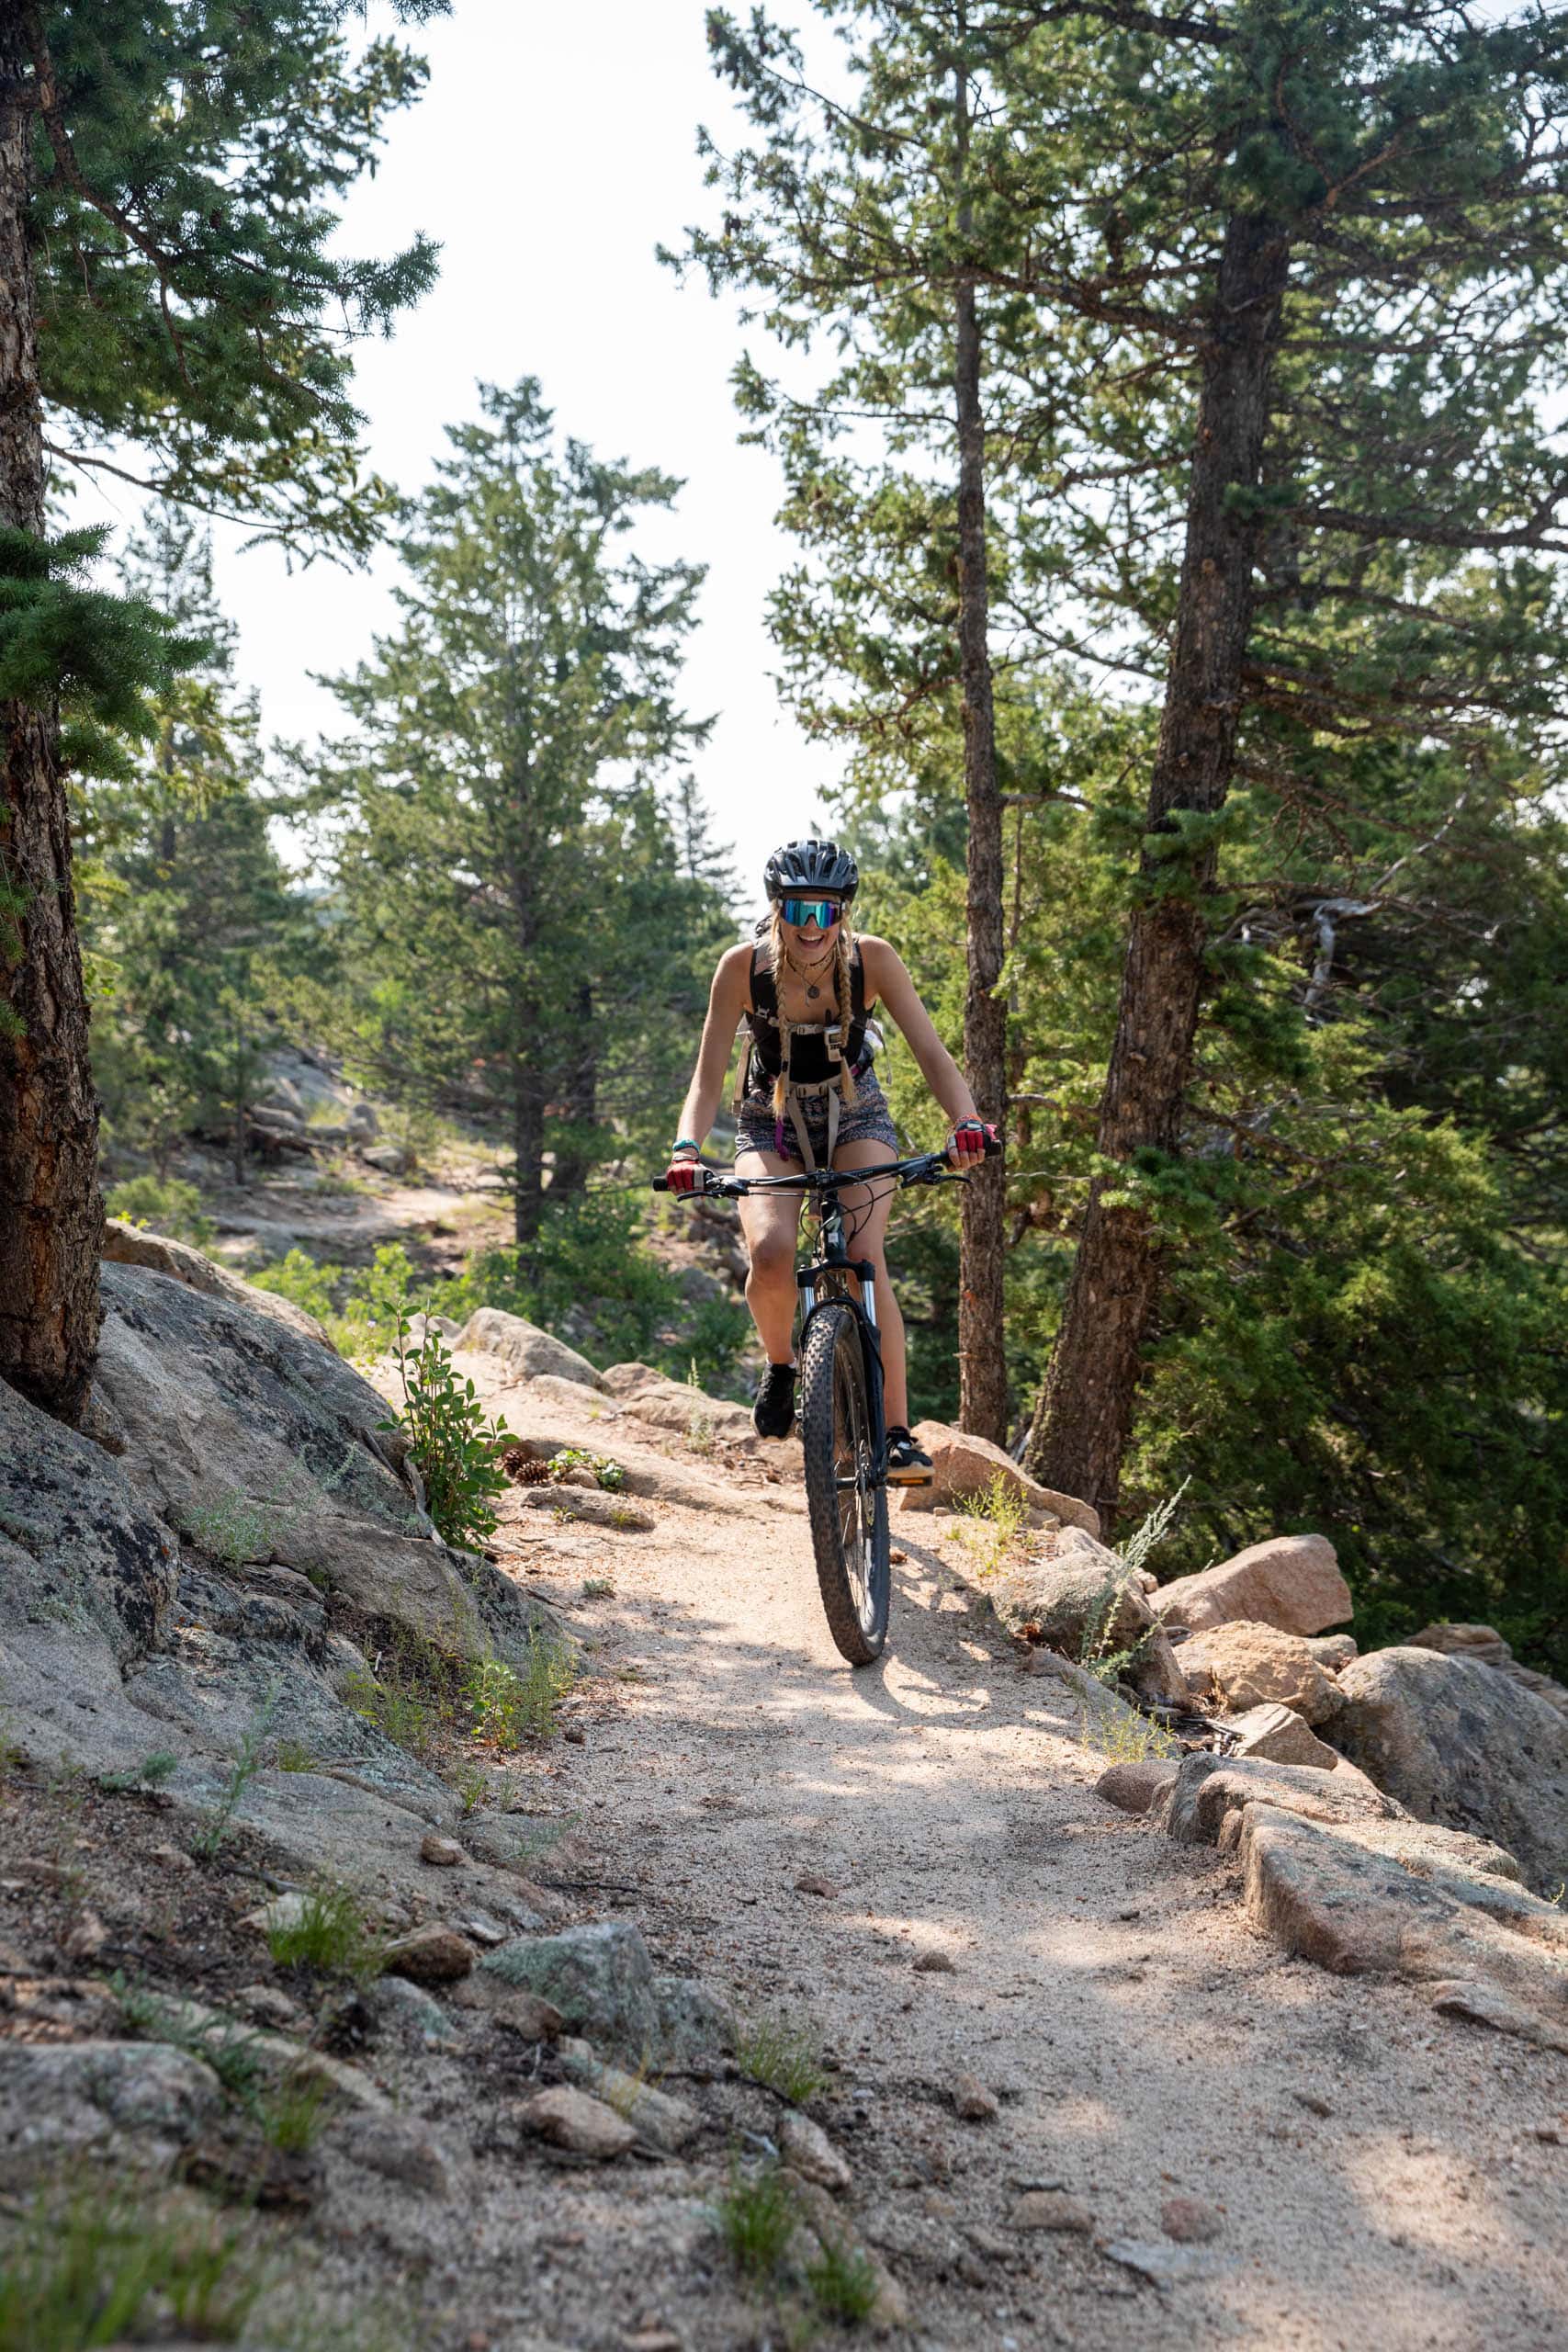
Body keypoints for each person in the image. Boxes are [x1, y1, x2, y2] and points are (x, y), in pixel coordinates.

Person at [664, 837, 995, 1481]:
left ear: (843, 912)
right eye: (796, 910)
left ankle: (896, 1433)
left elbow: (931, 1053)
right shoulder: (742, 968)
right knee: (770, 1253)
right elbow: (706, 1078)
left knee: (865, 1258)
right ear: (775, 908)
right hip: (769, 1125)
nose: (810, 927)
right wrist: (685, 1149)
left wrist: (967, 1122)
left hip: (857, 1114)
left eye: (825, 912)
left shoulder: (873, 960)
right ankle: (784, 1366)